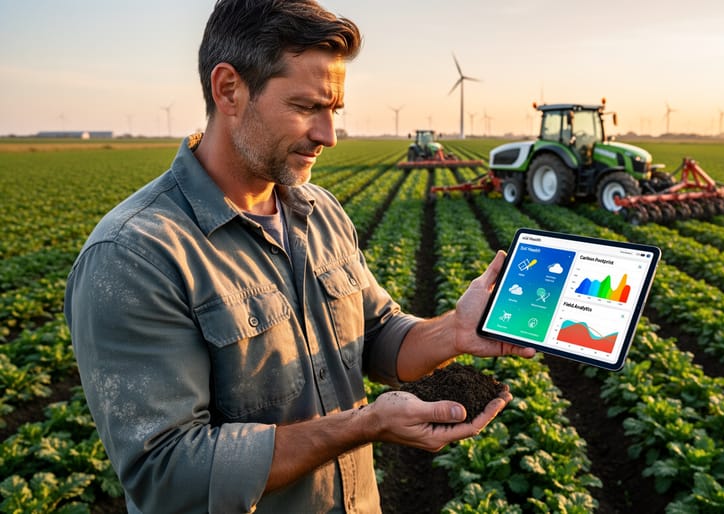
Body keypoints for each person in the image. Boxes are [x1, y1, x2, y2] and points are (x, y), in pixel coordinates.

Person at [63, 1, 534, 512]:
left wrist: (453, 333)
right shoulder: (137, 254)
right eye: (307, 107)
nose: (327, 136)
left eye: (333, 110)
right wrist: (365, 424)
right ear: (229, 90)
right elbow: (167, 474)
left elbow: (375, 337)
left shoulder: (321, 212)